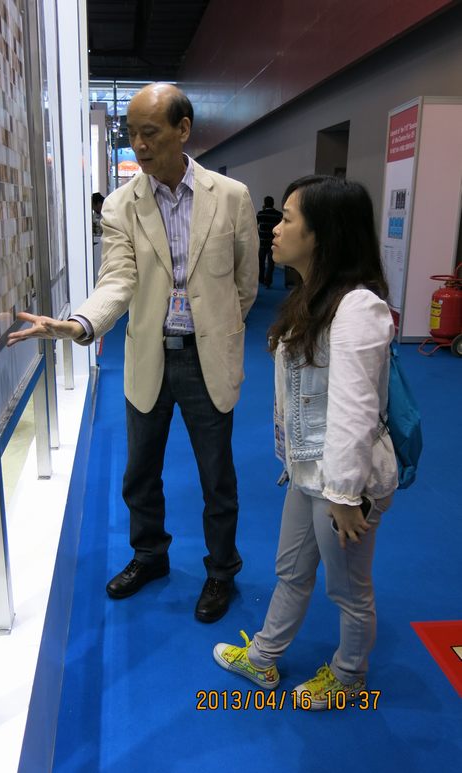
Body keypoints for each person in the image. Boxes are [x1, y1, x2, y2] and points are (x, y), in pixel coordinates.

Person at [7, 83, 259, 622]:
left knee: (217, 476)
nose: (139, 146)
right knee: (140, 473)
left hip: (207, 359)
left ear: (183, 130)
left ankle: (221, 570)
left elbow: (245, 283)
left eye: (149, 133)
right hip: (149, 355)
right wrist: (79, 323)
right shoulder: (122, 205)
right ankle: (150, 556)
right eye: (131, 134)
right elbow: (117, 280)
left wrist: (217, 328)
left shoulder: (230, 196)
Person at [213, 175, 398, 707]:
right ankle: (264, 657)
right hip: (307, 471)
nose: (274, 229)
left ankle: (349, 676)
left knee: (349, 589)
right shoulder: (313, 299)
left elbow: (355, 410)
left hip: (344, 481)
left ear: (322, 234)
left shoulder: (357, 308)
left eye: (288, 219)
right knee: (292, 570)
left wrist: (343, 494)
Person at [256, 195, 282, 286]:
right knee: (271, 263)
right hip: (273, 243)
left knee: (261, 262)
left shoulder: (260, 214)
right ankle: (268, 282)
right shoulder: (278, 214)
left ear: (265, 203)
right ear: (273, 203)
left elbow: (255, 225)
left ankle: (261, 279)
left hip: (262, 242)